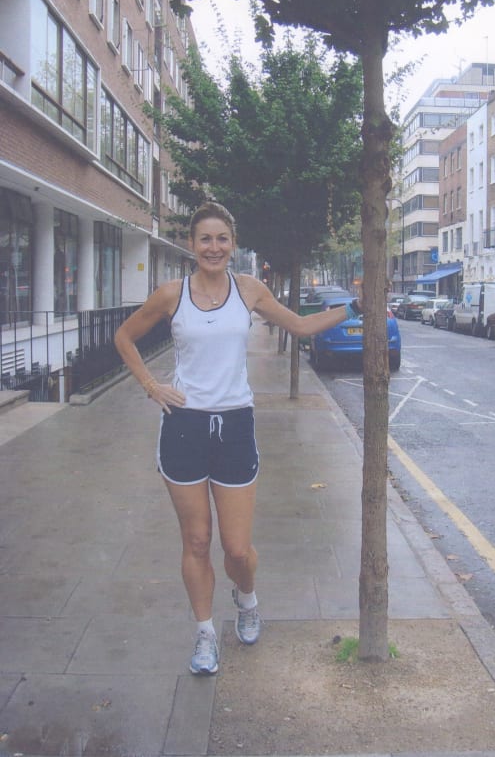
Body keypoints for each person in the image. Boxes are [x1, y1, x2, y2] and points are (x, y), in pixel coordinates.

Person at [114, 201, 362, 676]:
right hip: (183, 426)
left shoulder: (249, 290)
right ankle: (206, 633)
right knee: (195, 540)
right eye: (205, 239)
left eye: (222, 239)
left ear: (232, 244)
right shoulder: (171, 294)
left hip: (235, 427)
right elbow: (125, 338)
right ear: (192, 244)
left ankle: (246, 598)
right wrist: (151, 386)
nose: (213, 247)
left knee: (236, 549)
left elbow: (303, 326)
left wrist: (354, 307)